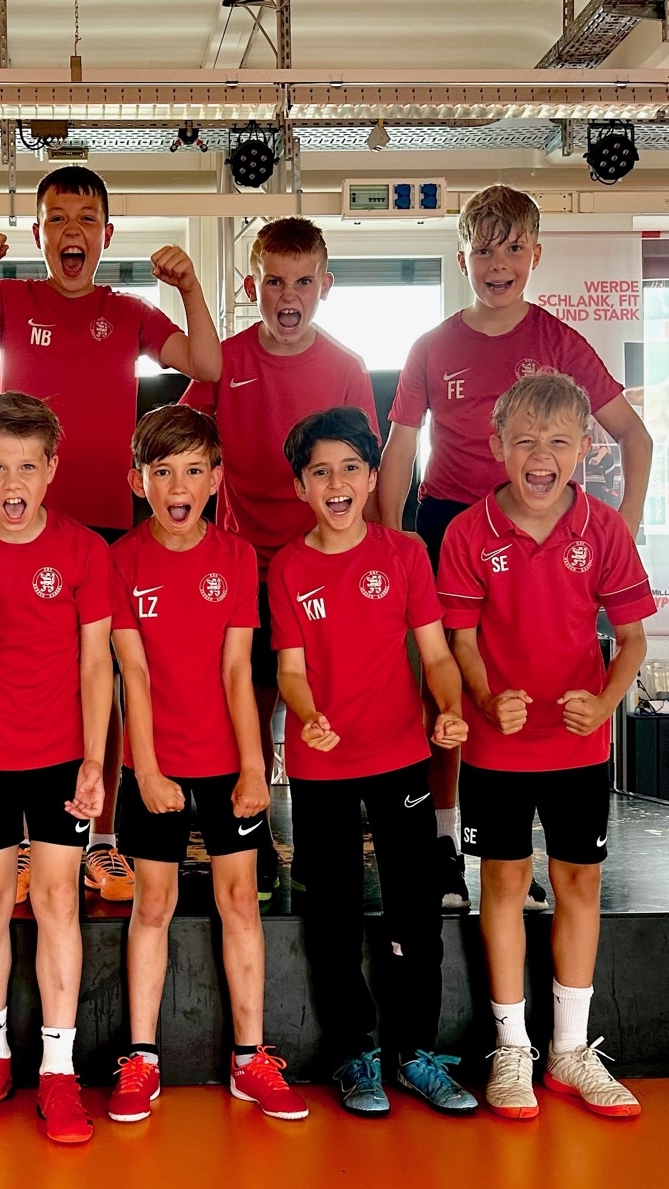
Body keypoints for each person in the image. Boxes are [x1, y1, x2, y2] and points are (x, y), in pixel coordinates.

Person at [0, 165, 222, 901]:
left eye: (86, 219)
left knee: (100, 683)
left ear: (106, 234)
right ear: (39, 233)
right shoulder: (11, 300)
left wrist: (189, 288)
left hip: (102, 531)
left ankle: (100, 839)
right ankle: (26, 844)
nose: (71, 231)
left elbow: (209, 363)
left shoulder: (129, 311)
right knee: (16, 680)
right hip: (18, 526)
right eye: (57, 218)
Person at [380, 184, 655, 912]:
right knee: (447, 691)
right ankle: (445, 845)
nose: (497, 264)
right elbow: (400, 447)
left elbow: (635, 435)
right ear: (462, 258)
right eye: (483, 250)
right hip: (451, 528)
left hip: (541, 534)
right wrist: (393, 539)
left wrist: (624, 523)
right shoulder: (432, 346)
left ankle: (515, 854)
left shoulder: (559, 342)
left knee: (527, 687)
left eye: (511, 249)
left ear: (535, 255)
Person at [437, 373, 654, 1120]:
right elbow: (461, 640)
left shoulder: (605, 530)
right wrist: (483, 696)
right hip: (497, 747)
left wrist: (604, 704)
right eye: (525, 441)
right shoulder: (467, 533)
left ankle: (569, 1050)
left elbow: (632, 640)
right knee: (502, 882)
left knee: (579, 884)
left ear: (585, 448)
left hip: (577, 747)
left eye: (559, 442)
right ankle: (511, 1049)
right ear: (496, 445)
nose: (541, 457)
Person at [269, 406, 478, 1118]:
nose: (337, 484)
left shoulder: (405, 554)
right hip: (321, 764)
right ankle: (353, 1054)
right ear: (300, 487)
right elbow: (290, 670)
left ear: (371, 478)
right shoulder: (289, 567)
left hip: (398, 756)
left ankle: (415, 1052)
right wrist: (307, 716)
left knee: (415, 909)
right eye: (321, 472)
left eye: (350, 469)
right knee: (331, 914)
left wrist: (448, 707)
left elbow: (437, 654)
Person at [104, 404, 308, 1126]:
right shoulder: (121, 559)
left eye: (194, 471)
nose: (178, 486)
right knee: (153, 905)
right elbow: (132, 673)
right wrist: (146, 771)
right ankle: (141, 1058)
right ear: (139, 481)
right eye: (163, 472)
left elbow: (236, 672)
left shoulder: (237, 557)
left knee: (239, 901)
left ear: (217, 479)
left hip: (225, 761)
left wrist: (256, 768)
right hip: (154, 761)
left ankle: (251, 1059)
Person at [0, 393, 112, 1145]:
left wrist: (96, 758)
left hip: (62, 758)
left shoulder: (83, 550)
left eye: (27, 467)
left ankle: (59, 1071)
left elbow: (97, 664)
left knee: (60, 902)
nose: (13, 482)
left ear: (51, 470)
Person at [180, 217, 377, 899]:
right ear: (250, 287)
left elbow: (364, 471)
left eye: (302, 282)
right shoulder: (222, 361)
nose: (288, 296)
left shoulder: (347, 368)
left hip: (324, 566)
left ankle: (330, 831)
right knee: (251, 701)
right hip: (244, 567)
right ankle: (256, 829)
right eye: (273, 282)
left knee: (327, 699)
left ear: (326, 285)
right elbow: (179, 444)